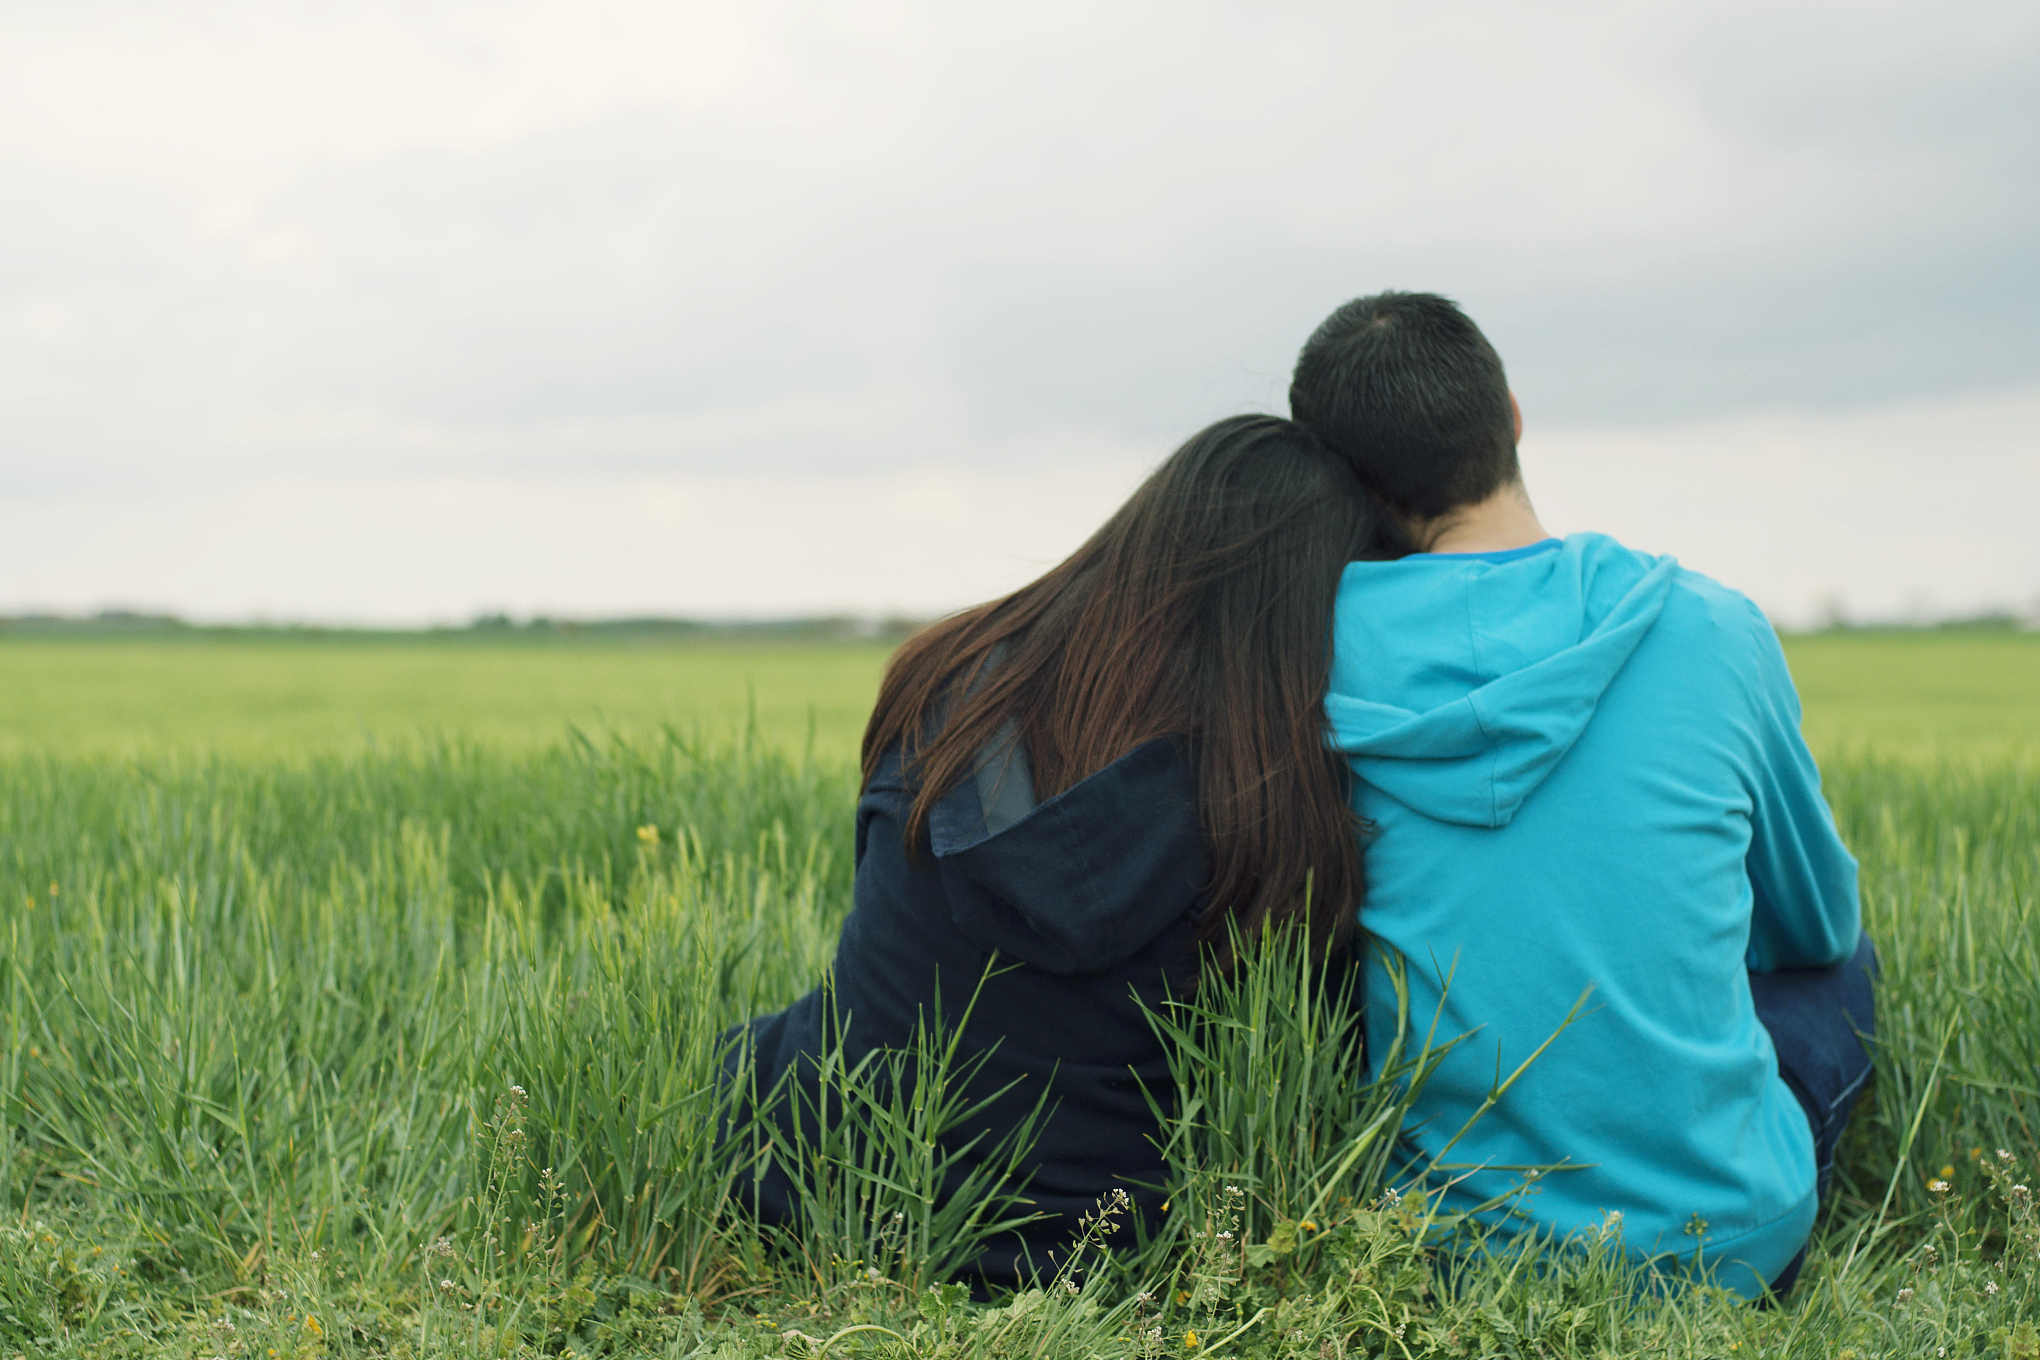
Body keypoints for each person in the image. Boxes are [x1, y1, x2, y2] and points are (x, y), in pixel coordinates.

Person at [725, 414, 1405, 1286]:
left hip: (831, 1184)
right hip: (1103, 1247)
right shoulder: (1286, 801)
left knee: (750, 1057)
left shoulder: (952, 677)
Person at [1289, 291, 1876, 1300]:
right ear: (1512, 415)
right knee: (1845, 959)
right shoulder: (1713, 627)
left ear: (1342, 485)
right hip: (1728, 1243)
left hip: (1447, 1250)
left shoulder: (1303, 655)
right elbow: (1816, 924)